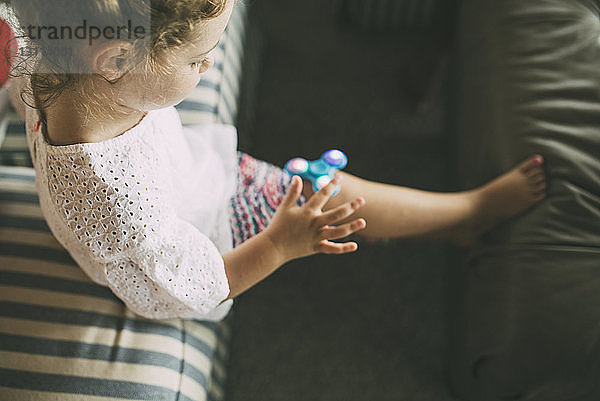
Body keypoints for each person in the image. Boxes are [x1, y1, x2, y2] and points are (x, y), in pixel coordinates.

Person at [4, 0, 546, 321]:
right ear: (116, 61)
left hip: (177, 186)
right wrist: (280, 244)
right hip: (202, 233)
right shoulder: (116, 199)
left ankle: (401, 221)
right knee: (324, 188)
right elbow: (205, 283)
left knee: (319, 191)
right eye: (197, 58)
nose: (210, 62)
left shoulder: (53, 58)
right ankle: (467, 216)